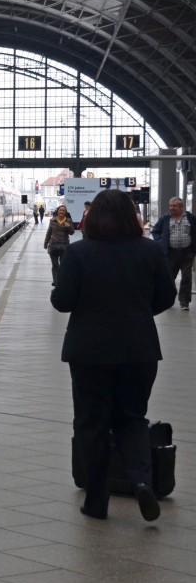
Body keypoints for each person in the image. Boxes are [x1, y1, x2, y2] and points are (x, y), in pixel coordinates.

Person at [51, 189, 174, 521]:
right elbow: (167, 296)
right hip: (139, 349)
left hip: (89, 351)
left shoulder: (79, 254)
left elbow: (62, 302)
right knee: (132, 419)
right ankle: (141, 483)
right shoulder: (149, 251)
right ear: (130, 216)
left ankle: (96, 501)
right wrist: (137, 312)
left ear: (93, 217)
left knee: (92, 423)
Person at [150, 197, 196, 311]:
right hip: (171, 253)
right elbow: (155, 231)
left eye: (174, 206)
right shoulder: (165, 219)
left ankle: (184, 302)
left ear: (181, 207)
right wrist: (160, 242)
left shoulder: (190, 218)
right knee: (170, 277)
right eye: (170, 206)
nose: (171, 208)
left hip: (187, 253)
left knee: (186, 277)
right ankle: (167, 300)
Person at [43, 205, 75, 285]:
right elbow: (49, 232)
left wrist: (69, 227)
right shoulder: (52, 220)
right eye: (60, 210)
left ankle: (62, 280)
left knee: (63, 265)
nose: (61, 212)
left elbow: (72, 233)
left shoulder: (68, 220)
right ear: (57, 211)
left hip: (64, 246)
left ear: (65, 212)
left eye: (63, 211)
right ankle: (56, 281)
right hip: (53, 246)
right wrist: (45, 243)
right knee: (55, 265)